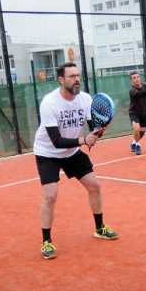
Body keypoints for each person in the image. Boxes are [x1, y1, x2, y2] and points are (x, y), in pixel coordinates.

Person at [34, 62, 119, 260]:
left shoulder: (85, 99)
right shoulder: (49, 103)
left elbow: (93, 126)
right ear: (61, 80)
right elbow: (56, 141)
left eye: (78, 75)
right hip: (48, 153)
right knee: (50, 196)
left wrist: (99, 131)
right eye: (72, 76)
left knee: (94, 186)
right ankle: (46, 241)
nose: (77, 79)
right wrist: (83, 140)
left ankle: (99, 229)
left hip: (72, 152)